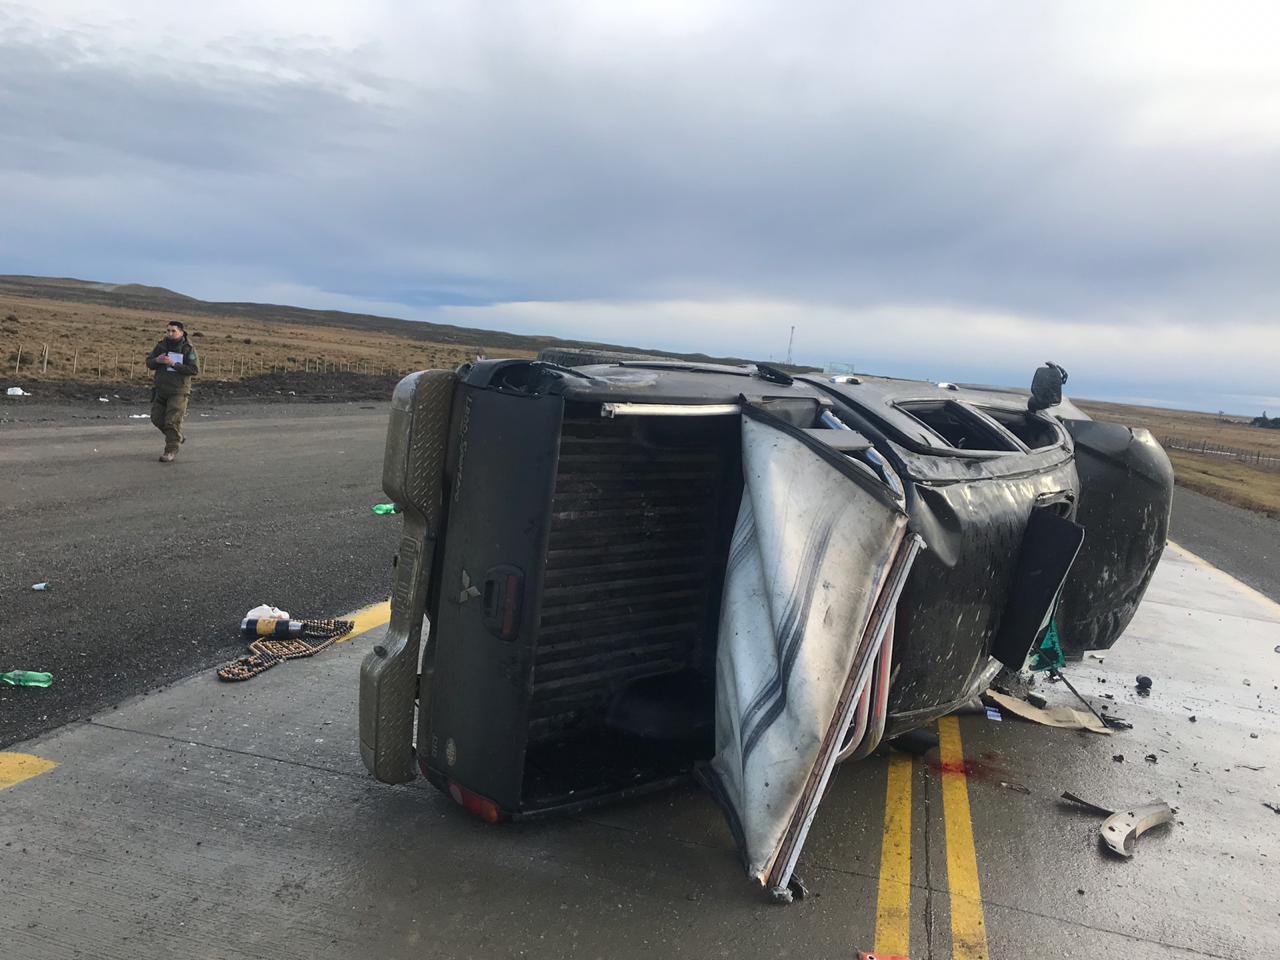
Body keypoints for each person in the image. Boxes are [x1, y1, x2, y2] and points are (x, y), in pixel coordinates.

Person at [145, 320, 200, 462]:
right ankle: (176, 437)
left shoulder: (188, 348)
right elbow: (149, 362)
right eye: (168, 330)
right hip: (161, 389)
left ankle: (170, 451)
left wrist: (174, 364)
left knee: (172, 422)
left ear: (181, 332)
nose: (170, 333)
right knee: (156, 418)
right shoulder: (161, 345)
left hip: (178, 391)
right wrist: (157, 360)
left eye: (173, 331)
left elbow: (194, 370)